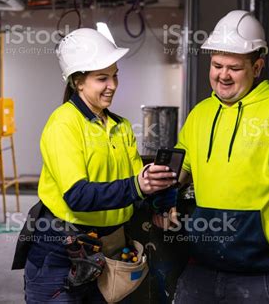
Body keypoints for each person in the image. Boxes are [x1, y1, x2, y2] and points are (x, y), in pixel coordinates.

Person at [153, 10, 269, 304]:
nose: (223, 75)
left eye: (234, 67)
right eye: (217, 65)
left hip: (261, 276)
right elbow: (181, 172)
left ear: (257, 67)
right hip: (200, 268)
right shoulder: (200, 114)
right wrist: (160, 196)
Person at [23, 28, 177, 303]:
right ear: (78, 82)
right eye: (102, 78)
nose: (113, 85)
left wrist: (158, 195)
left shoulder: (121, 127)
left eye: (115, 75)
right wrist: (136, 186)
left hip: (110, 250)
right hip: (61, 253)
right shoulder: (64, 124)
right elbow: (77, 196)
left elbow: (134, 189)